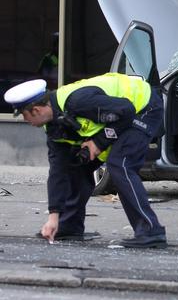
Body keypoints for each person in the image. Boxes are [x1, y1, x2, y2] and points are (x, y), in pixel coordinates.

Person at [4, 73, 167, 248]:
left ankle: (150, 231)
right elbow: (58, 173)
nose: (25, 121)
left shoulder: (78, 102)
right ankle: (68, 227)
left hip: (144, 107)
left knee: (120, 164)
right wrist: (53, 217)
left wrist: (98, 142)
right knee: (76, 166)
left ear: (36, 110)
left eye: (24, 115)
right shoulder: (53, 129)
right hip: (123, 115)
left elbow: (126, 111)